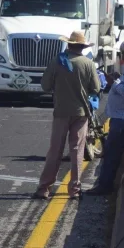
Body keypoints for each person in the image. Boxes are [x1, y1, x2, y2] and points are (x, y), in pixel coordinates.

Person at [33, 31, 101, 200]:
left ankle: (44, 188)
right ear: (82, 47)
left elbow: (45, 86)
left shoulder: (57, 62)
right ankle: (75, 190)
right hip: (81, 113)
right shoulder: (88, 64)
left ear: (69, 45)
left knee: (55, 151)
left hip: (61, 112)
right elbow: (96, 89)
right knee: (77, 151)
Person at [86, 40, 124, 196]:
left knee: (111, 153)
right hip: (123, 117)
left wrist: (114, 82)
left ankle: (105, 186)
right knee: (111, 152)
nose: (122, 58)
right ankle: (107, 184)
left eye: (123, 54)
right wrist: (119, 79)